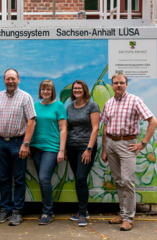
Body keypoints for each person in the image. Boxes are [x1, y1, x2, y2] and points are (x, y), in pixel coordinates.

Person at [100, 73, 157, 231]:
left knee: (127, 181)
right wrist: (105, 149)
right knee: (118, 181)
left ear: (126, 84)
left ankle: (128, 219)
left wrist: (143, 143)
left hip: (127, 144)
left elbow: (153, 121)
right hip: (111, 143)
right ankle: (123, 214)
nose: (118, 85)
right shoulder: (109, 103)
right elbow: (105, 127)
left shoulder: (135, 100)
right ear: (112, 85)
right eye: (116, 83)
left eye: (121, 83)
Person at [0, 68, 36, 226]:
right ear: (4, 80)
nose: (10, 81)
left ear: (18, 79)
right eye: (7, 79)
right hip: (1, 144)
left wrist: (26, 144)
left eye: (13, 79)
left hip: (18, 143)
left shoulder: (25, 97)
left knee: (19, 180)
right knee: (3, 180)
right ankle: (4, 210)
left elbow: (31, 121)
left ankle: (17, 212)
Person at [30, 79, 67, 225]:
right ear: (40, 91)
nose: (45, 92)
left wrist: (61, 150)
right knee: (42, 179)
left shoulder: (59, 105)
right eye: (43, 89)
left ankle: (47, 212)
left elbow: (63, 128)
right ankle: (47, 210)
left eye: (48, 90)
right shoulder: (34, 106)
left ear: (52, 91)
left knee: (44, 178)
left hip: (52, 147)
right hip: (36, 147)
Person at [65, 80, 100, 227]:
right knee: (78, 180)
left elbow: (95, 128)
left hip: (86, 148)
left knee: (80, 177)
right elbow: (66, 128)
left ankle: (83, 213)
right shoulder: (69, 107)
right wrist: (65, 149)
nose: (77, 90)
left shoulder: (92, 105)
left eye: (79, 88)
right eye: (75, 88)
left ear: (84, 89)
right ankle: (82, 211)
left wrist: (89, 149)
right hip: (72, 147)